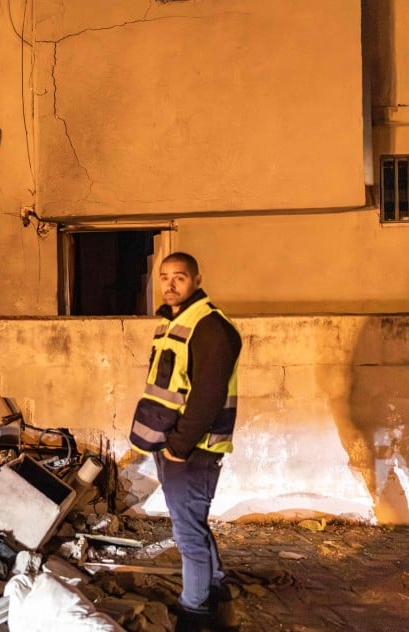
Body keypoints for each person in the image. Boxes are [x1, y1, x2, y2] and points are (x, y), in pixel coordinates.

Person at [129, 252, 242, 632]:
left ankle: (194, 612)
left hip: (193, 450)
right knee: (193, 524)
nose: (170, 284)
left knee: (188, 534)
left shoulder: (210, 326)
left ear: (196, 279)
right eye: (164, 277)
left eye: (179, 277)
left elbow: (208, 396)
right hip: (172, 444)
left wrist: (178, 447)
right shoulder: (172, 322)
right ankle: (215, 588)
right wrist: (167, 445)